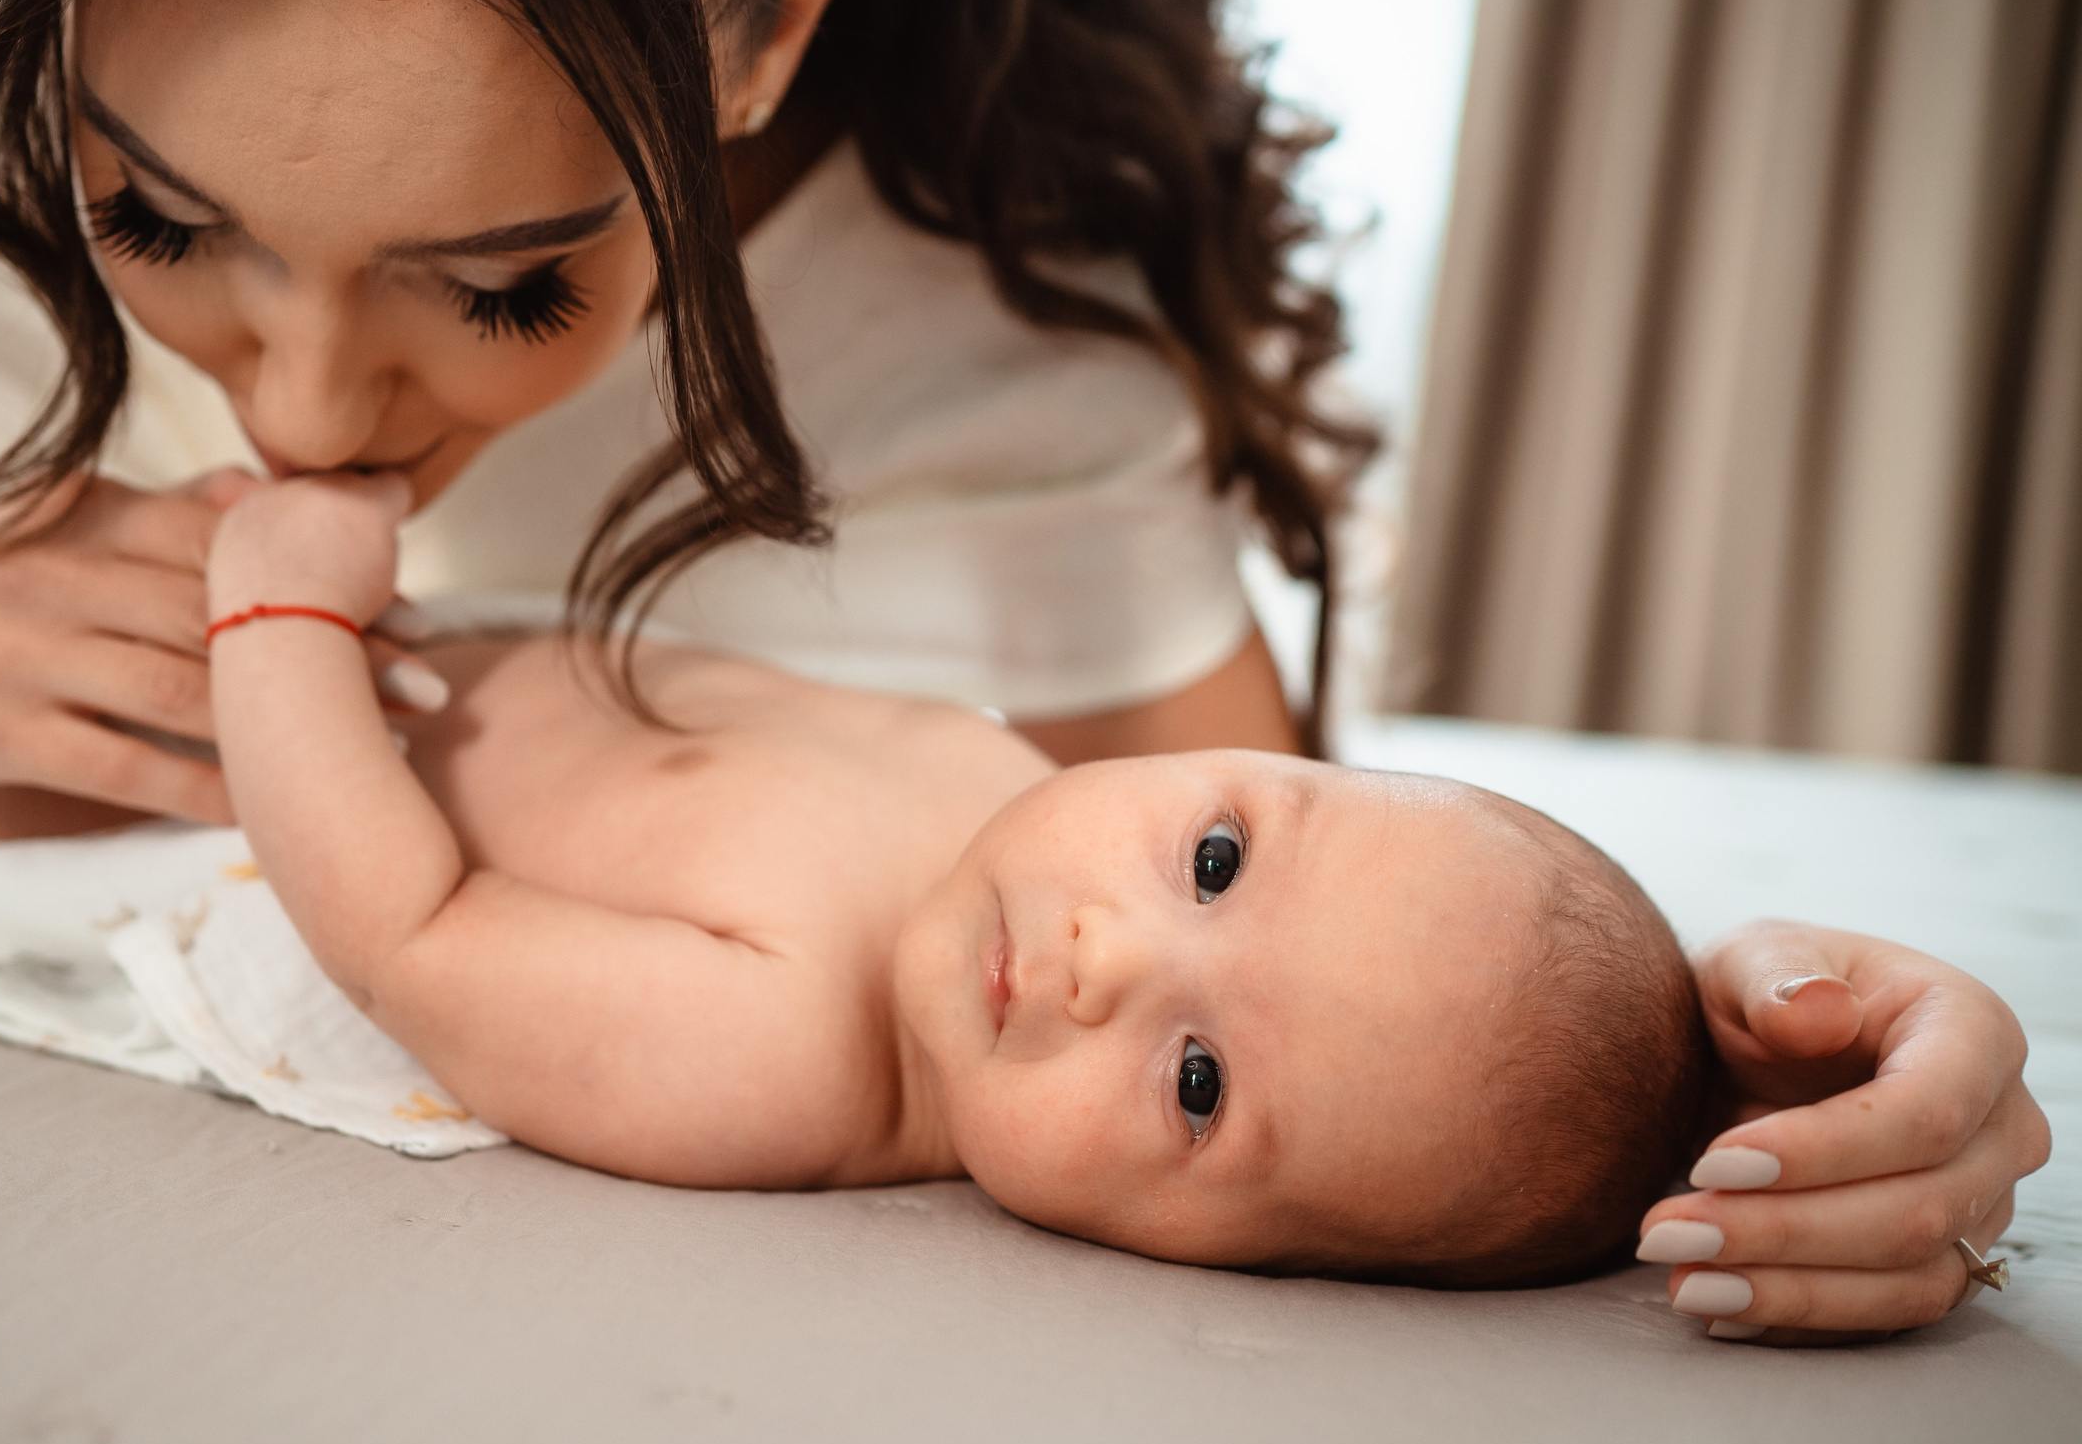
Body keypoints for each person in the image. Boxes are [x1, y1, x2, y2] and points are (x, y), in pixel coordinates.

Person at [0, 0, 2044, 1334]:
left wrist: (1745, 1063)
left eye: (506, 280)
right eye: (156, 219)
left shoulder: (1008, 316)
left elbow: (1349, 940)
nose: (299, 403)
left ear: (766, 24)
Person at [206, 467, 1718, 1289]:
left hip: (259, 789)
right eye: (1212, 860)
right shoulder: (1010, 796)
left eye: (1197, 1083)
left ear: (1224, 1262)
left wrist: (275, 613)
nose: (1103, 962)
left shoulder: (782, 1059)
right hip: (388, 646)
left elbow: (411, 934)